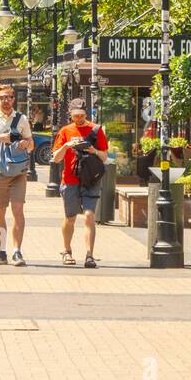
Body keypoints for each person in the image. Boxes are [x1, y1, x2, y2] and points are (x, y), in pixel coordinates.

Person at [0, 85, 34, 265]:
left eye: (9, 97)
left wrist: (26, 144)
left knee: (18, 210)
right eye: (3, 97)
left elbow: (31, 143)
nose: (6, 100)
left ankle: (17, 251)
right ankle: (1, 251)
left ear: (14, 99)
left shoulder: (21, 119)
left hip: (18, 172)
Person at [51, 98, 108, 268]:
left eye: (81, 115)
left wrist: (93, 150)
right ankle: (67, 250)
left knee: (89, 216)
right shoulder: (65, 131)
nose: (79, 119)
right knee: (70, 217)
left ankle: (89, 255)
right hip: (70, 180)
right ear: (70, 114)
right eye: (75, 116)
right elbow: (56, 158)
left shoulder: (96, 130)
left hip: (90, 179)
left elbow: (105, 157)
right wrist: (67, 145)